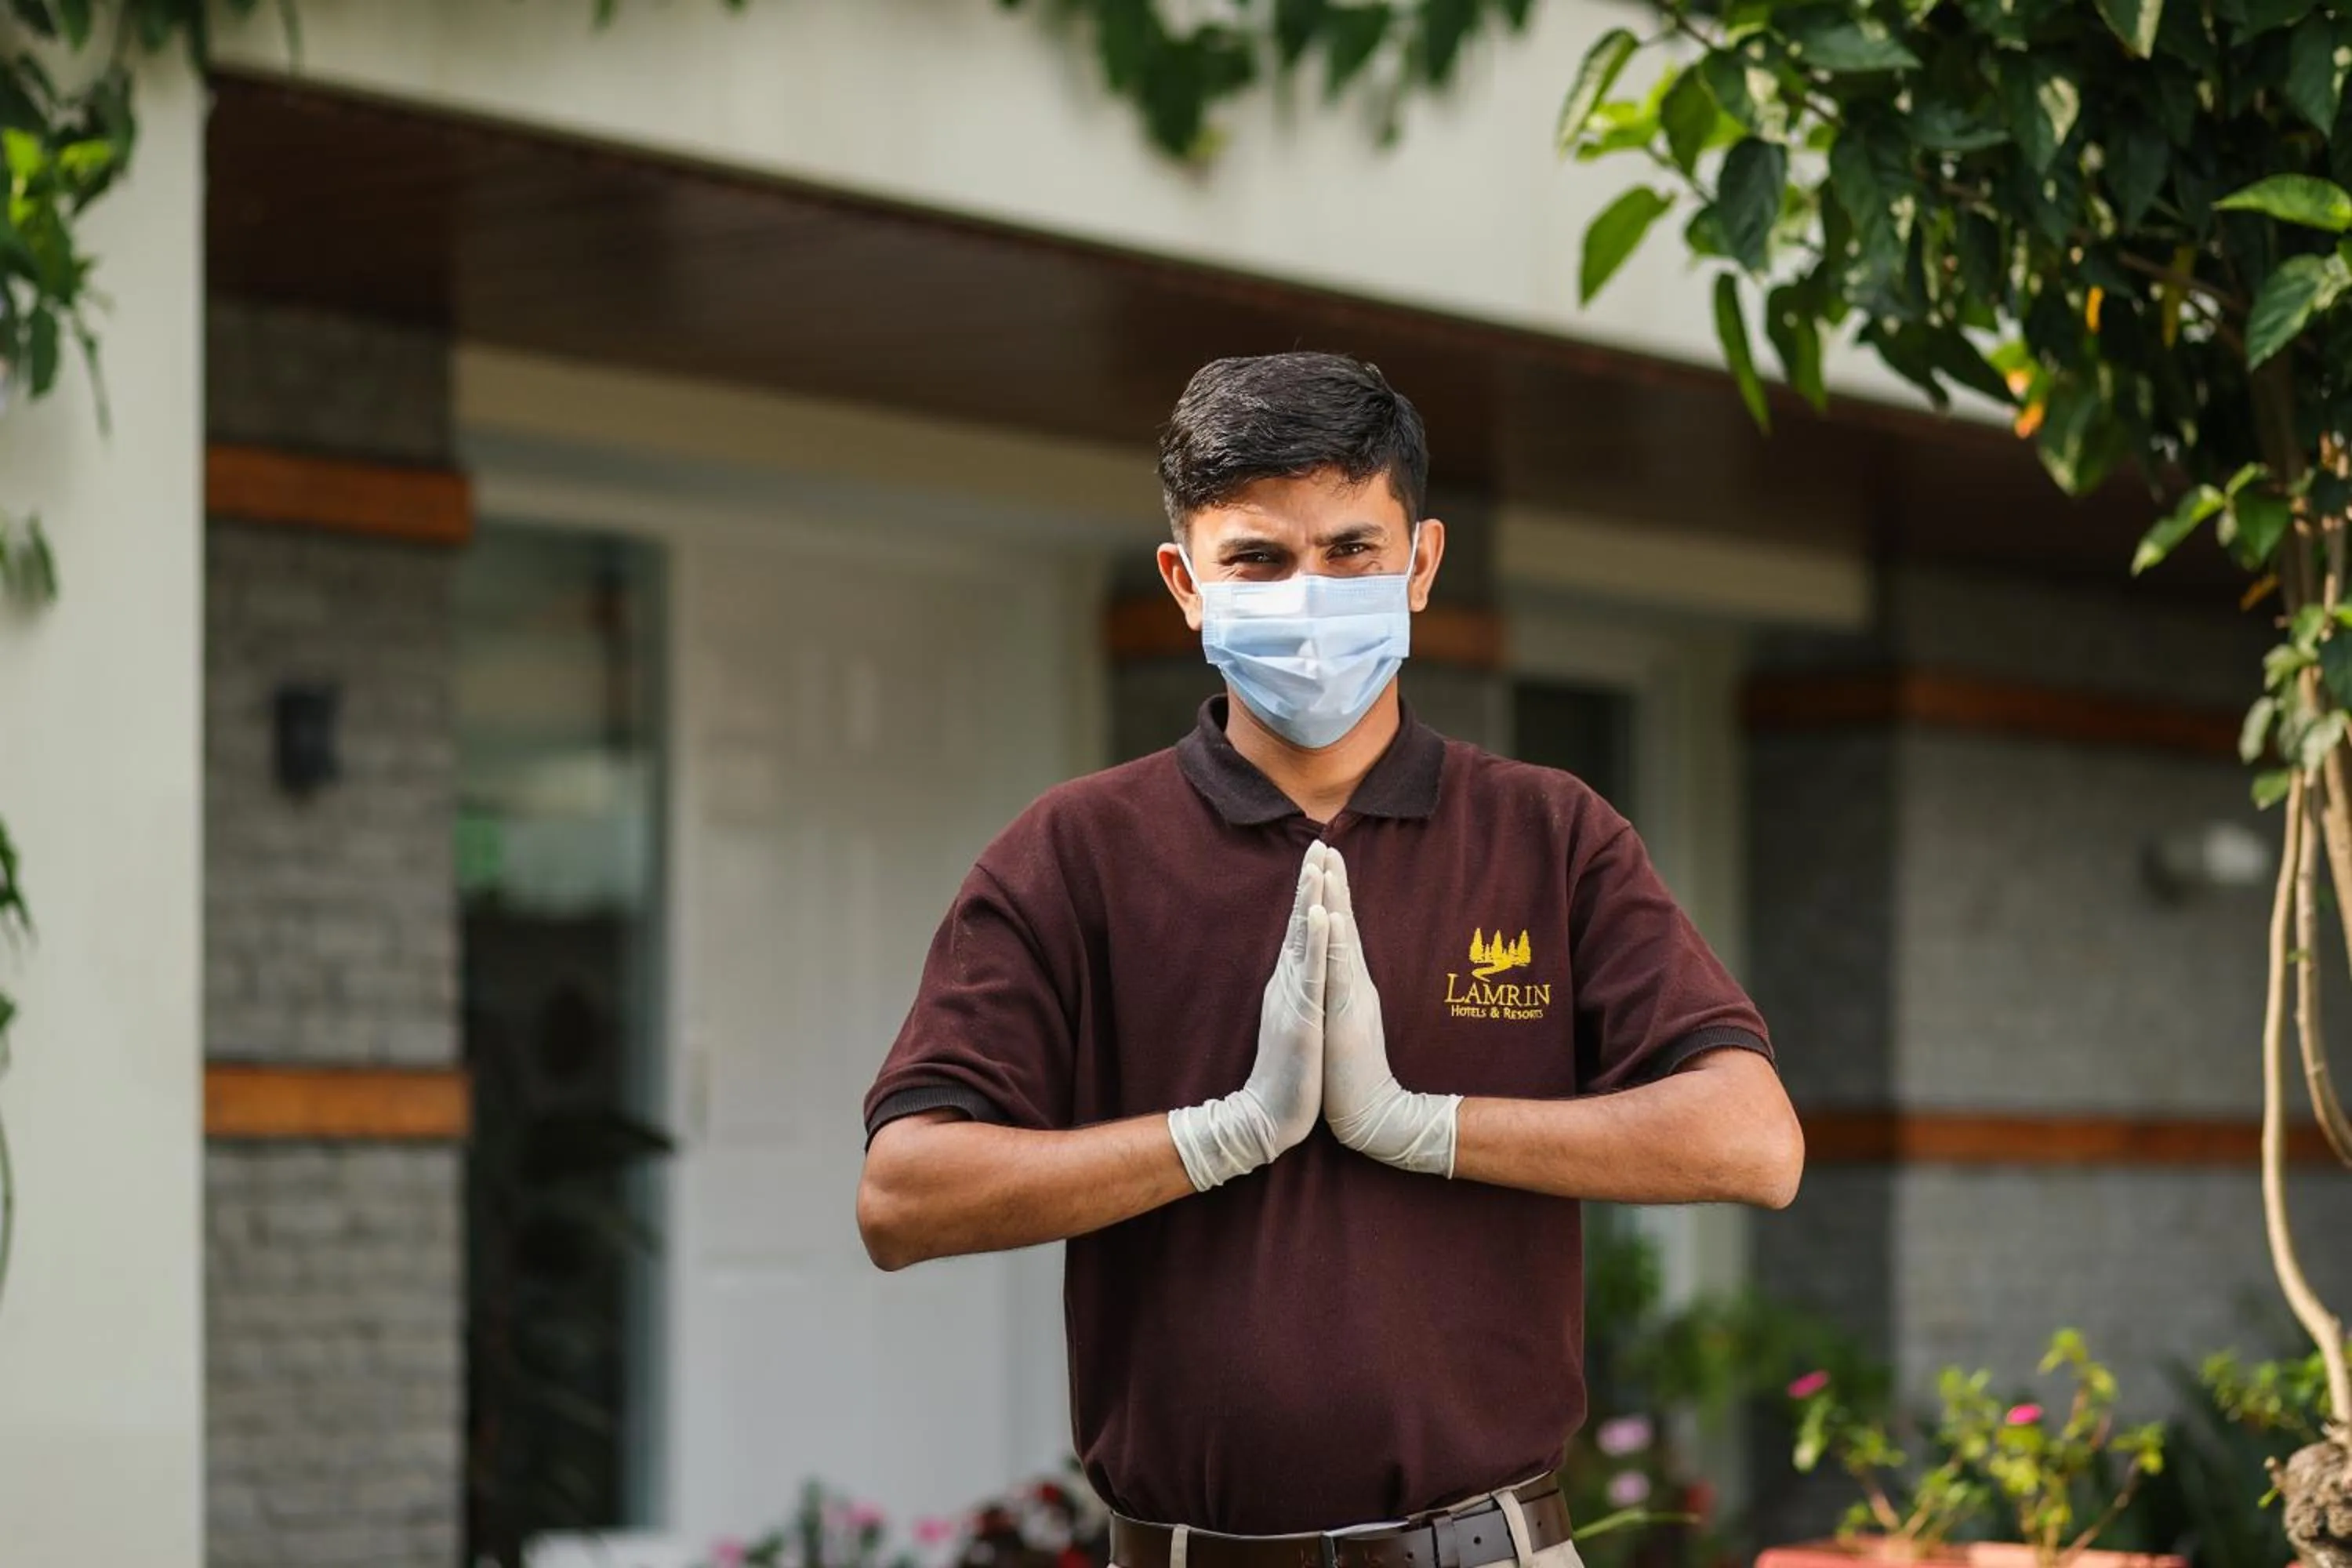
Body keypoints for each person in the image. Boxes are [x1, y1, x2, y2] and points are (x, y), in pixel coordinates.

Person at [857, 352, 1803, 1568]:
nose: (1310, 592)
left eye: (1353, 549)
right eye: (1258, 558)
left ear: (1422, 563)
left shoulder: (1547, 833)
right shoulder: (1078, 854)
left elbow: (1753, 1140)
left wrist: (1424, 1125)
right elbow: (903, 1198)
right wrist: (1219, 1137)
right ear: (1185, 583)